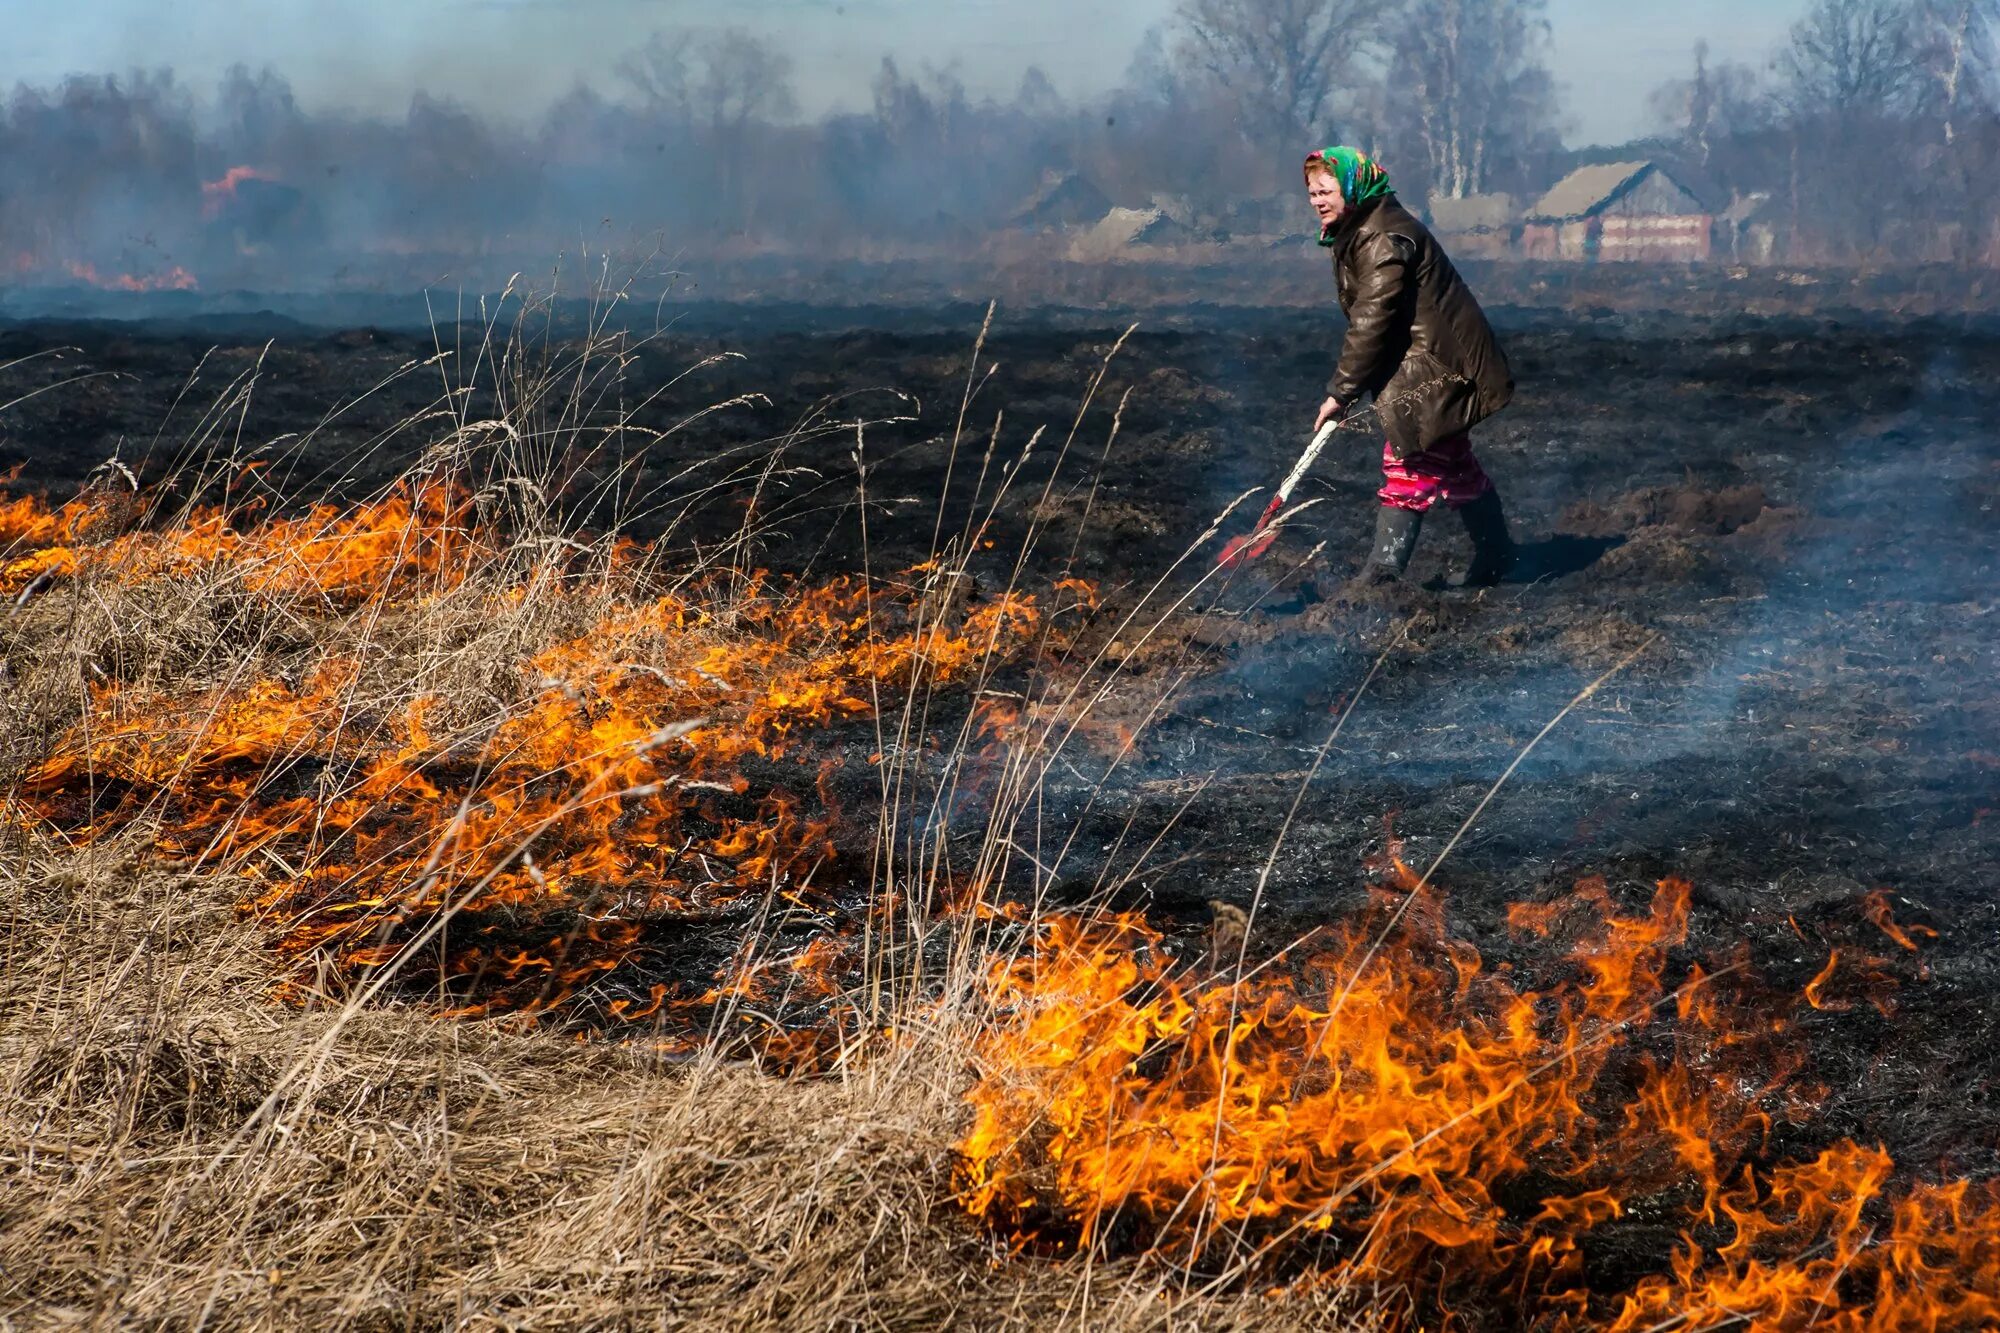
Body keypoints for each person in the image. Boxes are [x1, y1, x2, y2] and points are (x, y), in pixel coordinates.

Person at [1305, 146, 1517, 586]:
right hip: (1434, 363)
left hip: (1441, 369)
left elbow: (1372, 319)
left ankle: (1380, 579)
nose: (1318, 200)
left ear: (1351, 187)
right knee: (1454, 463)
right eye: (1312, 193)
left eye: (1326, 190)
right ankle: (1498, 557)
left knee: (1409, 462)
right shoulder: (1362, 229)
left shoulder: (1380, 236)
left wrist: (1341, 392)